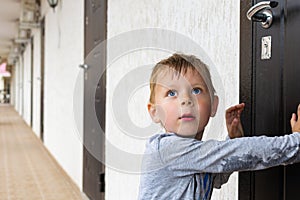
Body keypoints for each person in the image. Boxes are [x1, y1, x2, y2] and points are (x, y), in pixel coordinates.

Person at [138, 53, 300, 200]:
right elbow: (242, 152)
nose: (186, 99)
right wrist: (296, 142)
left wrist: (233, 139)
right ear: (154, 112)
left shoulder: (192, 156)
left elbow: (215, 178)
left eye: (196, 90)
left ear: (214, 105)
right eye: (172, 93)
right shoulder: (168, 149)